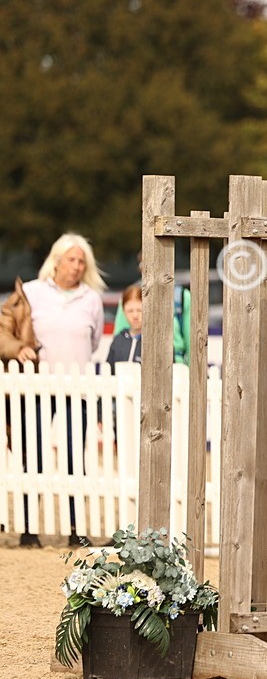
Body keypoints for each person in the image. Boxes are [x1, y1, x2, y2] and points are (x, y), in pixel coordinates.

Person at [0, 234, 106, 546]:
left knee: (75, 460)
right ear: (56, 261)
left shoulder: (92, 298)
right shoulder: (30, 292)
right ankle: (29, 529)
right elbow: (4, 330)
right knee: (32, 458)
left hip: (77, 389)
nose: (76, 266)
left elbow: (95, 340)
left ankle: (77, 530)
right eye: (71, 259)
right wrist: (19, 347)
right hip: (36, 388)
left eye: (81, 261)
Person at [113, 253, 190, 365]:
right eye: (145, 264)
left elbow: (192, 345)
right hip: (134, 368)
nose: (152, 269)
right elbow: (120, 340)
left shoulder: (182, 297)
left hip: (176, 368)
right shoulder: (130, 297)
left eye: (158, 264)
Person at [106, 284, 143, 366]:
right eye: (130, 311)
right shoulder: (118, 340)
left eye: (139, 310)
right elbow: (109, 369)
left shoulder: (155, 342)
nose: (135, 316)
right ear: (124, 312)